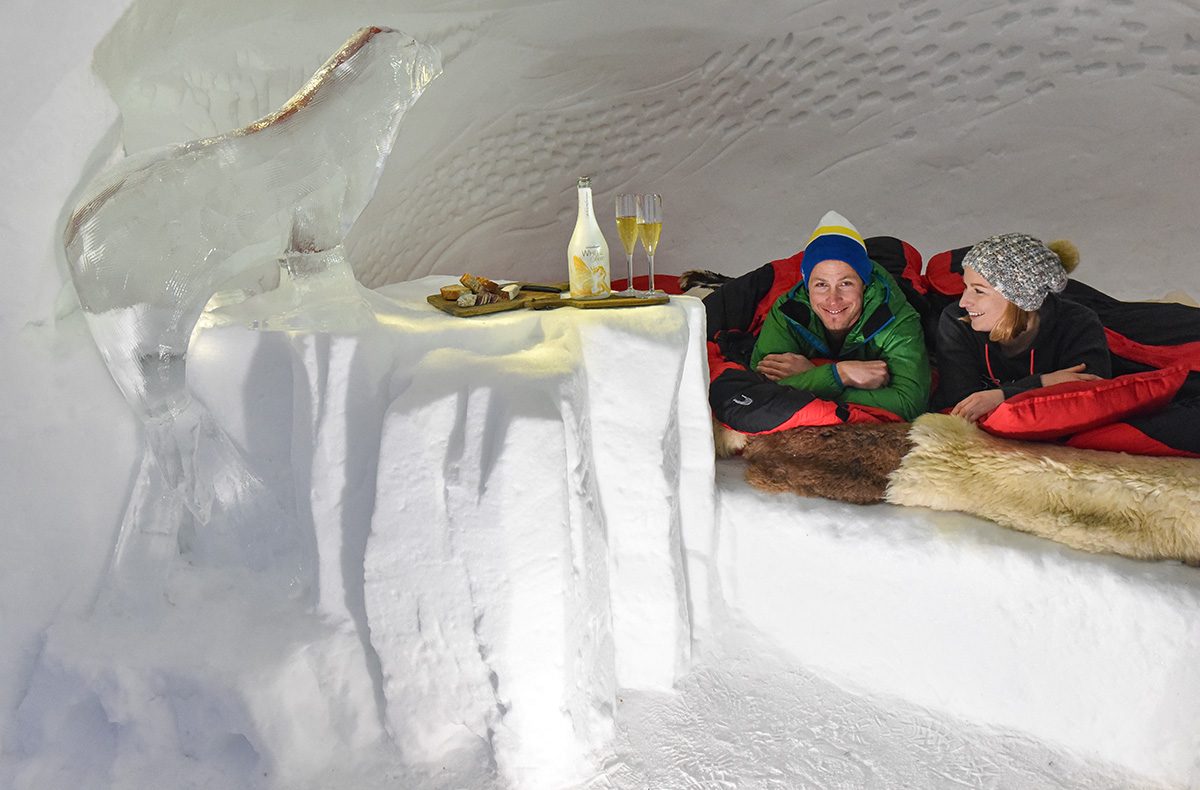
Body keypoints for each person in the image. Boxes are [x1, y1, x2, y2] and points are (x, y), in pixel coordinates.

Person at [749, 211, 931, 421]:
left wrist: (817, 378)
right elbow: (758, 391)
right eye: (821, 285)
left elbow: (909, 404)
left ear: (864, 284)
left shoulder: (898, 318)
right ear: (807, 287)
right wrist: (840, 374)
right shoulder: (787, 311)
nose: (833, 299)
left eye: (846, 283)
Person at [932, 232, 1111, 422]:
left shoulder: (1078, 323)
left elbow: (1089, 398)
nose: (964, 302)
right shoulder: (957, 321)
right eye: (965, 287)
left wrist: (1000, 397)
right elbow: (962, 405)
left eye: (978, 291)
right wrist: (1044, 383)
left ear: (1017, 298)